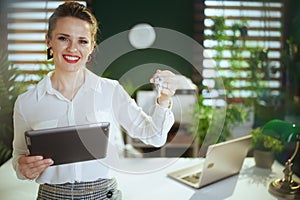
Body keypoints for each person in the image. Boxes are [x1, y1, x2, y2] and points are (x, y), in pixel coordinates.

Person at [12, 1, 178, 200]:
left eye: (82, 41)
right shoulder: (27, 103)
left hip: (104, 195)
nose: (73, 48)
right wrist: (24, 169)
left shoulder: (110, 91)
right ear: (49, 41)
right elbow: (19, 160)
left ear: (92, 47)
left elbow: (155, 137)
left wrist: (164, 99)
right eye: (63, 38)